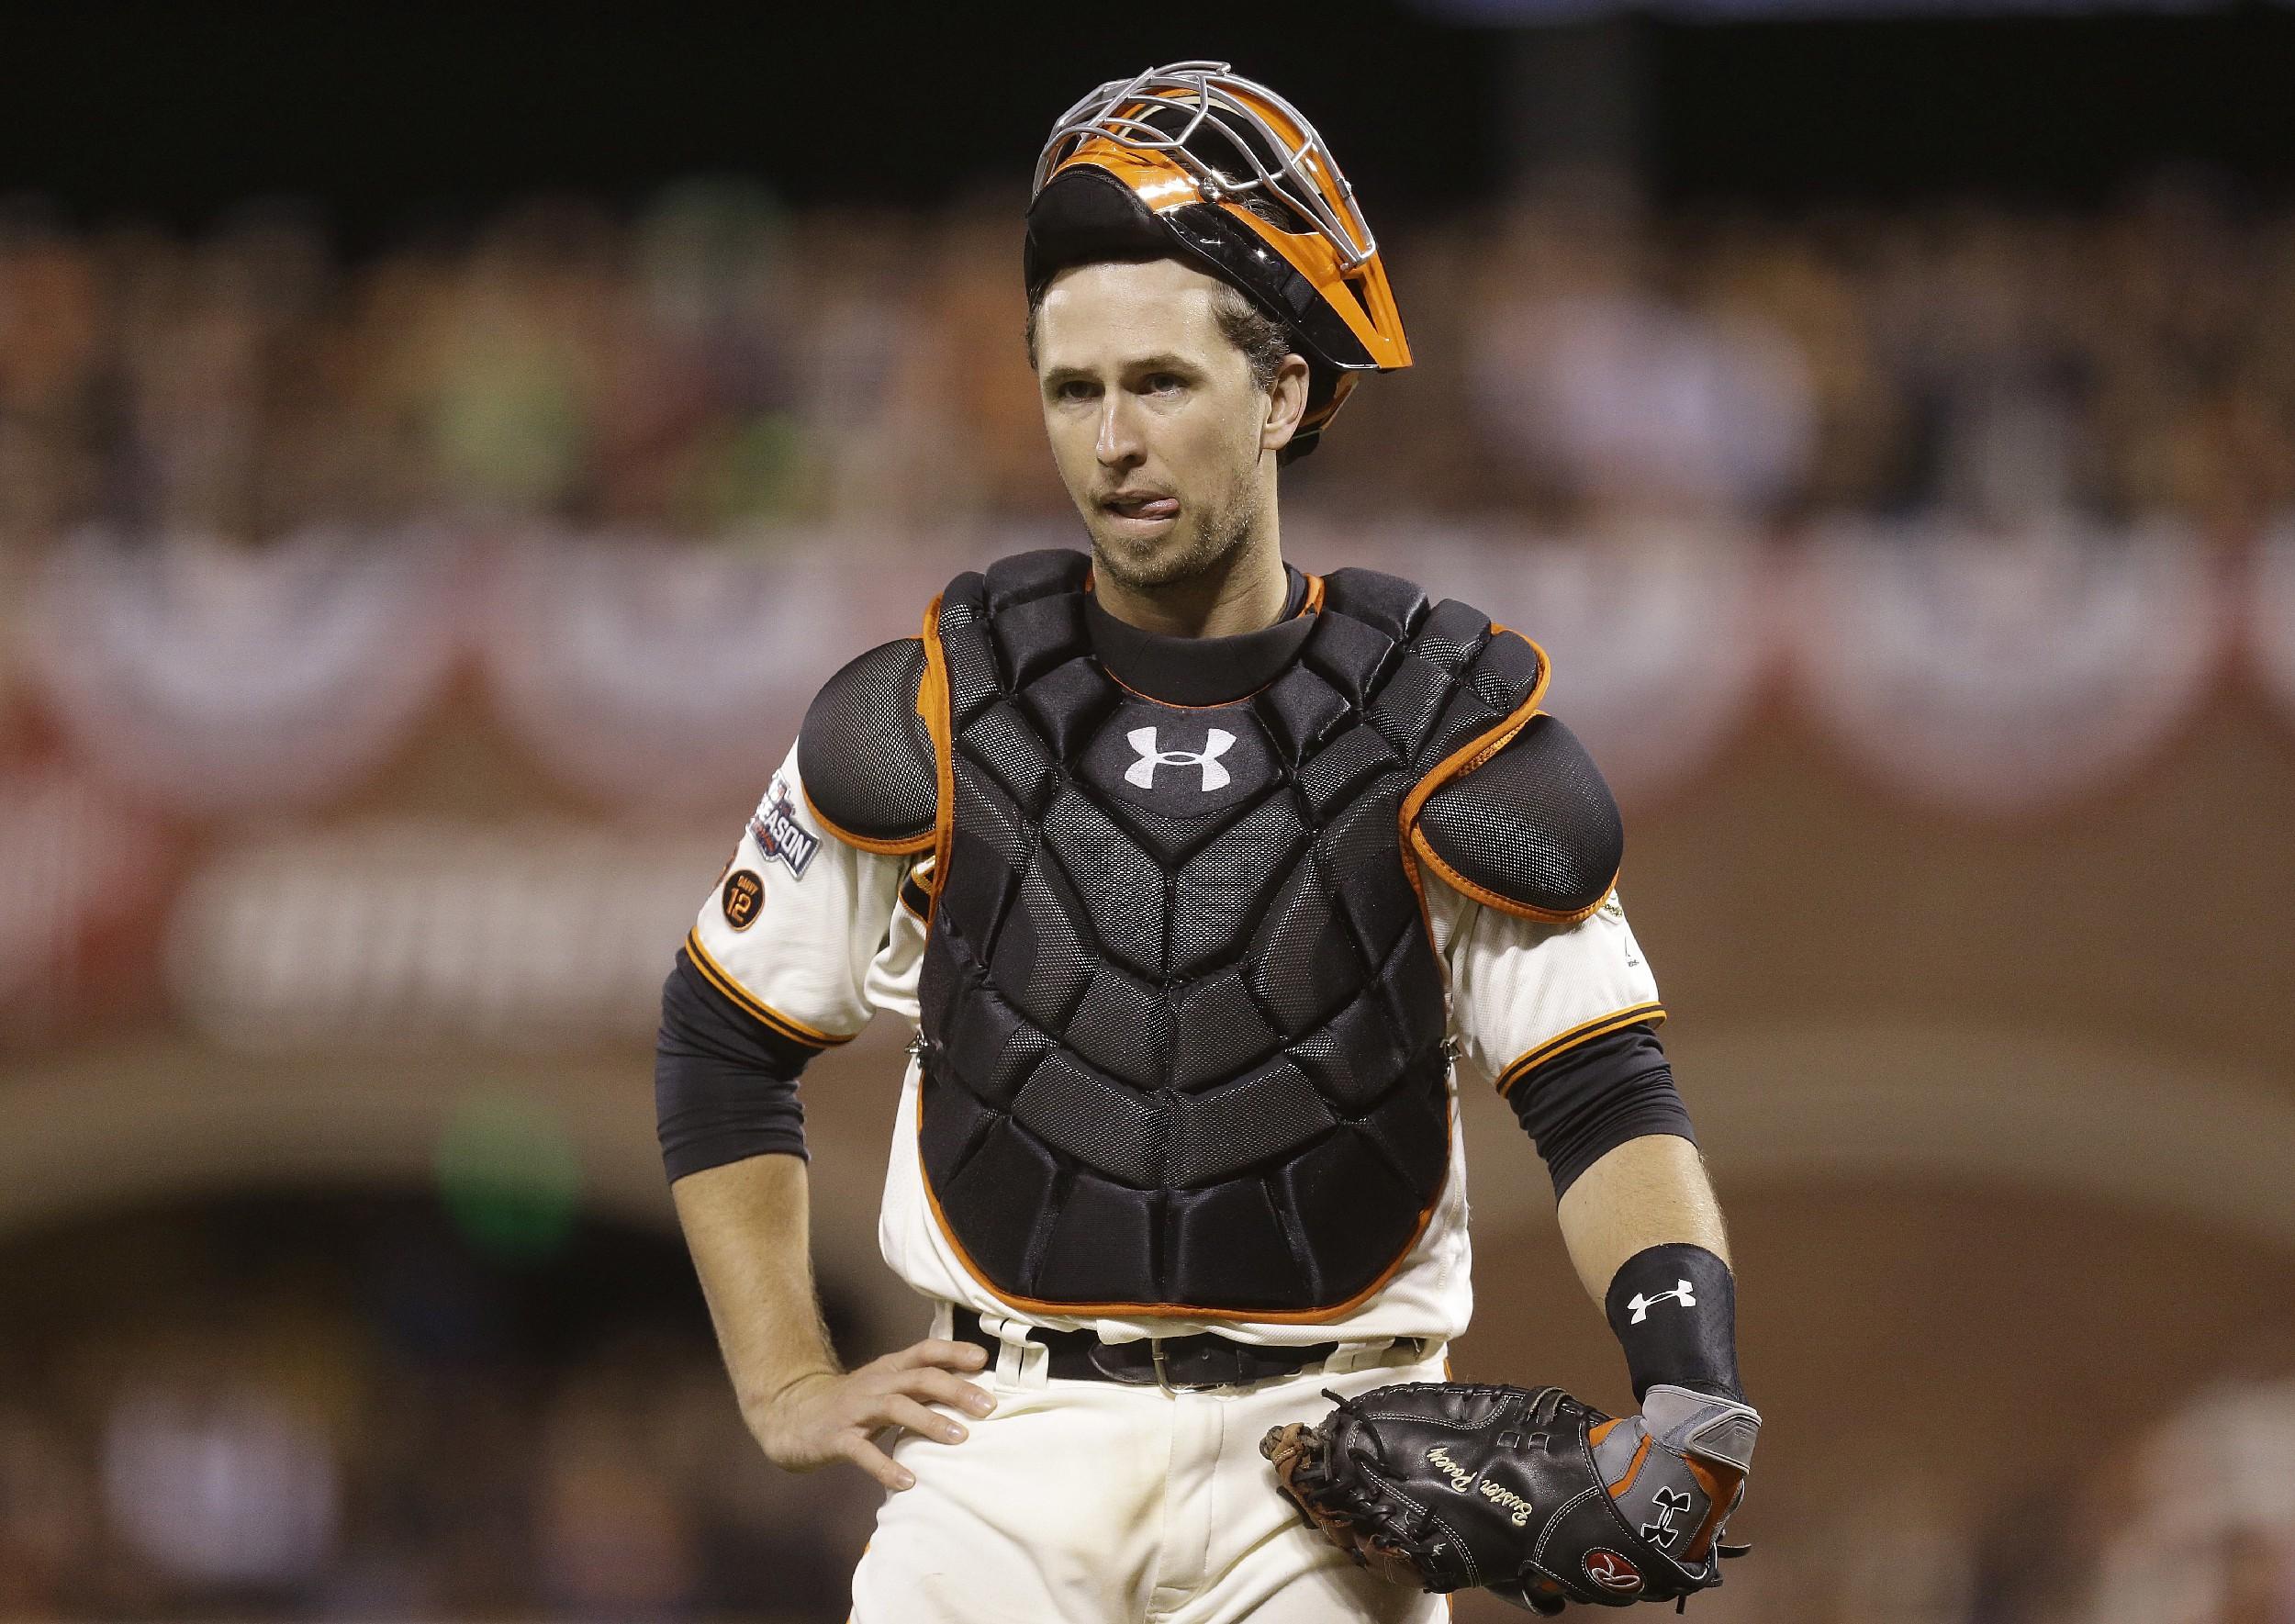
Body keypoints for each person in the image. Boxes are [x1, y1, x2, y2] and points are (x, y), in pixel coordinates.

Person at [655, 62, 1752, 1623]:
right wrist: (783, 1381)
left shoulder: (1437, 724)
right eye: (1073, 390)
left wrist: (1690, 1395)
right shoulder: (938, 707)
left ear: (1286, 392)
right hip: (1000, 1445)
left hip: (1325, 1471)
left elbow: (1605, 1097)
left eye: (1162, 383)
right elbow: (721, 1035)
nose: (1112, 439)